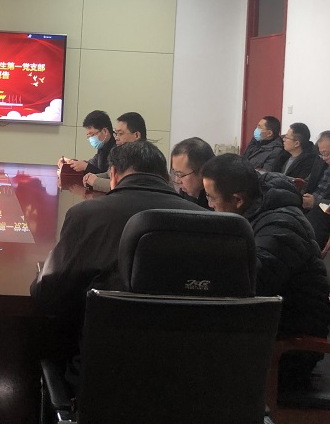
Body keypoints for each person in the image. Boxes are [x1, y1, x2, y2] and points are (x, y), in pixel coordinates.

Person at [32, 140, 204, 382]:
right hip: (189, 375)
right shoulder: (207, 221)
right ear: (166, 177)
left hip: (105, 376)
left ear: (112, 175)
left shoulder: (87, 215)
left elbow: (48, 295)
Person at [200, 153, 329, 388]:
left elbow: (250, 285)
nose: (209, 205)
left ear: (238, 199)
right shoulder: (258, 209)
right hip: (266, 328)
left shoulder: (281, 226)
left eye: (211, 198)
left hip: (288, 350)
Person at [83, 111, 146, 192]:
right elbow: (109, 174)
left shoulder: (143, 157)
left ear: (136, 135)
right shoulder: (122, 153)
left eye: (120, 134)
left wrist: (95, 181)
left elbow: (125, 186)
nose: (116, 138)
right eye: (116, 134)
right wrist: (92, 177)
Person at [59, 110, 116, 175]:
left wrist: (86, 167)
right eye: (88, 136)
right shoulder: (103, 147)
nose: (91, 139)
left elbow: (109, 176)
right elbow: (92, 164)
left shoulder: (117, 149)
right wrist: (71, 162)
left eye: (92, 135)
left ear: (105, 131)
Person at [169, 137, 215, 209]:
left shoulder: (220, 199)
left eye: (181, 175)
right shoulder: (186, 192)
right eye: (175, 173)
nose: (177, 180)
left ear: (202, 172)